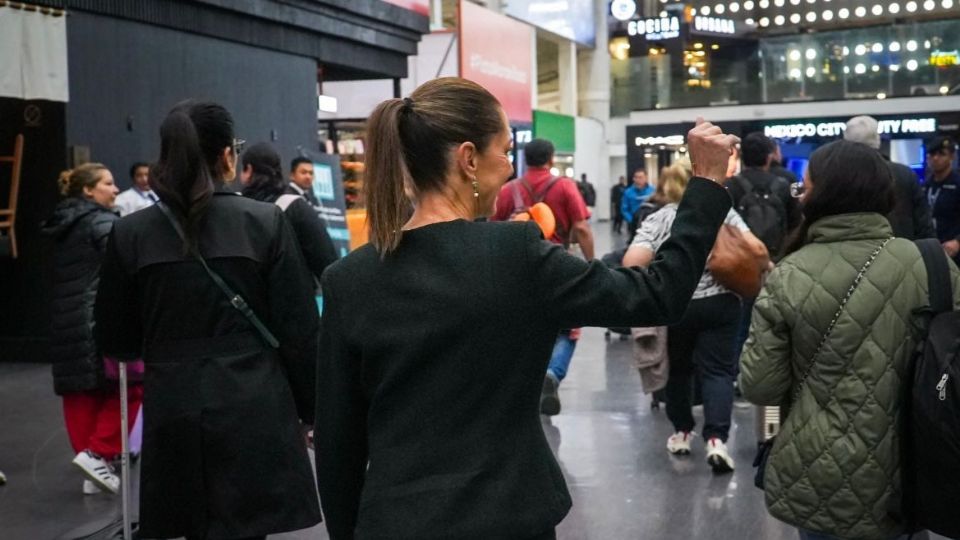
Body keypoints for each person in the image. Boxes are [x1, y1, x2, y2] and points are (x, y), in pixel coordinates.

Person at [315, 77, 739, 540]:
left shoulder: (349, 280)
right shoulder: (515, 254)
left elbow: (339, 443)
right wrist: (705, 185)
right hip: (508, 514)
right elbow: (657, 294)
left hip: (396, 520)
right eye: (504, 150)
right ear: (468, 159)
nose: (508, 167)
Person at [94, 100, 321, 540]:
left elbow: (116, 339)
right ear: (226, 156)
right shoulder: (265, 223)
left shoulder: (131, 233)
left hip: (173, 405)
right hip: (254, 402)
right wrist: (311, 410)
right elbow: (299, 330)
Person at [739, 140, 958, 540]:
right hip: (917, 467)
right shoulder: (932, 265)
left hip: (824, 474)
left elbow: (761, 385)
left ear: (820, 196)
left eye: (803, 186)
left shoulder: (789, 275)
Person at [622, 162, 759, 474]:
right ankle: (717, 441)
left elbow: (632, 262)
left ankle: (682, 433)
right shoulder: (723, 214)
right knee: (719, 371)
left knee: (679, 371)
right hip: (721, 303)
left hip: (676, 306)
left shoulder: (660, 217)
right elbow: (755, 248)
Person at [42, 163, 141, 496]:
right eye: (108, 184)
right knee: (133, 385)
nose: (115, 190)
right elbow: (128, 267)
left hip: (65, 321)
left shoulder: (61, 224)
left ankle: (93, 465)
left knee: (80, 392)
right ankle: (98, 454)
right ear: (88, 190)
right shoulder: (103, 223)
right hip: (99, 321)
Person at [492, 138, 594, 415]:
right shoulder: (563, 187)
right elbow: (582, 227)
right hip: (556, 265)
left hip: (515, 268)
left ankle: (523, 380)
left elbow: (492, 227)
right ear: (550, 159)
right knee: (568, 328)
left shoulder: (508, 190)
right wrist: (591, 263)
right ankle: (552, 373)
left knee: (523, 324)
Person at [240, 142, 338, 282]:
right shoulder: (295, 207)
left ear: (248, 170)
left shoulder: (232, 210)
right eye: (303, 172)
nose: (308, 177)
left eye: (311, 173)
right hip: (292, 296)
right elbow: (326, 260)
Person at [845, 115, 935, 240]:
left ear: (845, 141)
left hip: (854, 251)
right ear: (878, 139)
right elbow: (923, 225)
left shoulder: (836, 176)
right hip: (902, 250)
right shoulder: (904, 174)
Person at [727, 132, 800, 259]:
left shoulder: (729, 186)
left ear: (742, 157)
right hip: (776, 257)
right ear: (769, 157)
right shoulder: (786, 183)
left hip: (741, 258)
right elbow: (796, 221)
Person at [924, 136, 960, 263]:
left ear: (952, 157)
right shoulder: (926, 185)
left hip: (954, 250)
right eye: (932, 154)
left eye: (941, 154)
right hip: (932, 249)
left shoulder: (957, 184)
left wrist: (958, 241)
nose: (935, 158)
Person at [621, 169, 654, 233]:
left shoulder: (653, 190)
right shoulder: (628, 192)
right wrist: (631, 221)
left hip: (651, 224)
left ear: (646, 178)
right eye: (636, 177)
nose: (638, 180)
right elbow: (624, 209)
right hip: (634, 225)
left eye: (640, 177)